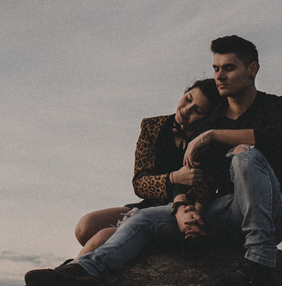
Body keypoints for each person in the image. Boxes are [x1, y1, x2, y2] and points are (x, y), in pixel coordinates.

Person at [24, 35, 282, 286]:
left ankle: (259, 263)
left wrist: (212, 135)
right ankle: (86, 272)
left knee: (245, 155)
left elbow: (274, 138)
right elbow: (191, 174)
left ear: (252, 69)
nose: (219, 76)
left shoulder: (280, 108)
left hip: (272, 213)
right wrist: (183, 210)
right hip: (229, 213)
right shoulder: (211, 119)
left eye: (229, 68)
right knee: (143, 219)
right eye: (216, 68)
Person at [72, 78, 224, 258]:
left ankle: (74, 269)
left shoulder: (206, 142)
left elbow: (205, 187)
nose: (186, 109)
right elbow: (139, 183)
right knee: (85, 227)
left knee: (102, 238)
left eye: (197, 110)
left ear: (207, 117)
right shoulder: (152, 127)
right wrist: (174, 177)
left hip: (181, 211)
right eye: (188, 99)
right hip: (147, 205)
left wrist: (188, 209)